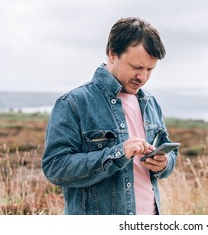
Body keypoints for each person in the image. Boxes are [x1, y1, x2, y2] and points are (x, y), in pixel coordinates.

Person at [42, 17, 178, 215]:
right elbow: (55, 168)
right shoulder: (73, 103)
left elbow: (169, 153)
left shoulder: (150, 102)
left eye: (150, 69)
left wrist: (164, 164)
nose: (143, 77)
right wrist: (117, 154)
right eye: (136, 67)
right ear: (112, 54)